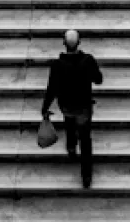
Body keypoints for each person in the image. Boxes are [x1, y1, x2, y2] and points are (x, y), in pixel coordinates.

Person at [41, 29, 104, 188]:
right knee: (85, 140)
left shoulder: (57, 65)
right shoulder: (88, 60)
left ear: (64, 43)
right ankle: (86, 176)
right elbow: (99, 80)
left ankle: (70, 146)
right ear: (79, 42)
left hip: (66, 106)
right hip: (83, 108)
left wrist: (45, 108)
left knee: (68, 121)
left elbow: (51, 89)